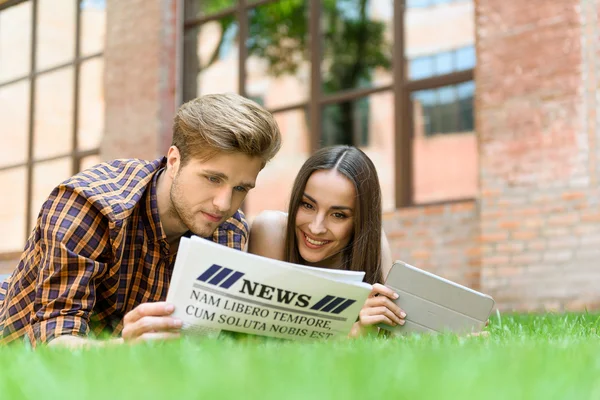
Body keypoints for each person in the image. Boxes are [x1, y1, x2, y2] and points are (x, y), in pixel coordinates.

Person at [0, 93, 282, 347]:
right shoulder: (91, 205)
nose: (224, 204)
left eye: (241, 188)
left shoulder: (230, 231)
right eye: (212, 178)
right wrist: (125, 350)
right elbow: (52, 340)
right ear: (174, 161)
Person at [248, 145, 406, 338]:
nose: (316, 227)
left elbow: (388, 339)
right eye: (307, 205)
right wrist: (347, 337)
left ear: (360, 223)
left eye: (338, 215)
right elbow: (262, 336)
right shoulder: (271, 230)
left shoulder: (373, 243)